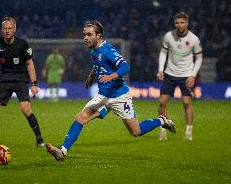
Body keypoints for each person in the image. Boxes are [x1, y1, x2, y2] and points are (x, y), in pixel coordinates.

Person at [45, 20, 176, 161]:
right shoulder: (93, 50)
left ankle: (161, 121)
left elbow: (125, 67)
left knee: (136, 131)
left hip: (120, 95)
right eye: (84, 35)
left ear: (99, 36)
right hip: (103, 96)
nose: (85, 38)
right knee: (81, 118)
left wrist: (111, 76)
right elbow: (97, 65)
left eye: (89, 34)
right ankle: (62, 151)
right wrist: (91, 76)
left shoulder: (108, 51)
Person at [0, 17, 45, 147]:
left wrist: (34, 84)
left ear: (14, 29)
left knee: (25, 109)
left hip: (20, 79)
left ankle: (39, 139)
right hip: (4, 80)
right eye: (5, 28)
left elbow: (30, 64)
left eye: (9, 28)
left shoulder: (22, 44)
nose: (7, 31)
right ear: (2, 29)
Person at [156, 12, 203, 141]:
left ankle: (188, 131)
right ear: (174, 23)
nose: (179, 25)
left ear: (187, 23)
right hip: (170, 73)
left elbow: (199, 58)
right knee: (162, 102)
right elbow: (163, 53)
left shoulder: (194, 39)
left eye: (182, 22)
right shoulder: (168, 36)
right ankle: (163, 129)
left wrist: (193, 75)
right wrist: (161, 70)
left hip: (186, 75)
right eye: (177, 22)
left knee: (186, 102)